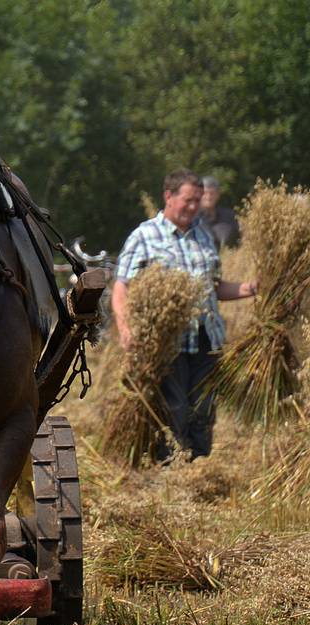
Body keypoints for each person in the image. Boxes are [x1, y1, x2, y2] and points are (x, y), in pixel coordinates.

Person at [112, 168, 258, 460]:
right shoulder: (145, 236)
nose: (195, 207)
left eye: (198, 200)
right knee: (174, 407)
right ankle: (171, 467)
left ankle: (199, 465)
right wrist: (126, 329)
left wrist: (251, 287)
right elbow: (121, 287)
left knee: (203, 408)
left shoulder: (203, 235)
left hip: (207, 337)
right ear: (169, 196)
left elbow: (214, 287)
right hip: (169, 341)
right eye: (189, 200)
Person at [200, 176, 241, 248]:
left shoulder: (230, 216)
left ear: (218, 195)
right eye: (205, 193)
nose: (209, 197)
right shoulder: (191, 218)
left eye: (212, 193)